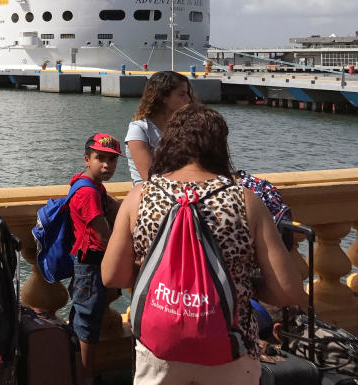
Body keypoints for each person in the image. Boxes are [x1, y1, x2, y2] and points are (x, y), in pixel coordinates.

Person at [102, 104, 306, 385]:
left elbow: (112, 275)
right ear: (220, 146)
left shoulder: (140, 196)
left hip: (159, 350)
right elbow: (288, 290)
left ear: (168, 143)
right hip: (230, 348)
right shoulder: (244, 200)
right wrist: (236, 287)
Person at [69, 134, 122, 385]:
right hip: (89, 266)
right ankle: (86, 377)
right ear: (87, 159)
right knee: (88, 323)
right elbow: (104, 236)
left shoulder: (89, 184)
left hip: (88, 263)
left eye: (112, 160)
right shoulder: (88, 193)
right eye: (100, 158)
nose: (106, 166)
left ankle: (80, 372)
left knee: (84, 318)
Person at [124, 71, 193, 184]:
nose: (188, 99)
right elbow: (150, 178)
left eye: (188, 94)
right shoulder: (139, 130)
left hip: (182, 191)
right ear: (163, 97)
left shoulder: (185, 127)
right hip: (150, 196)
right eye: (182, 94)